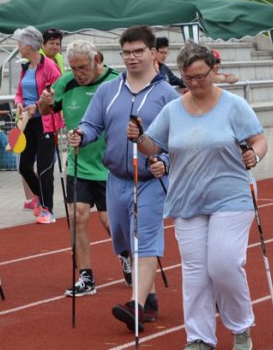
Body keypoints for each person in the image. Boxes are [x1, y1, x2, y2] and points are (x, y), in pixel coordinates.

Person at [130, 42, 266, 349]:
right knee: (195, 273)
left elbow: (259, 140)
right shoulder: (173, 109)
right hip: (187, 199)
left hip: (231, 197)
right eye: (188, 77)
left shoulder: (234, 106)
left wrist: (254, 157)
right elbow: (155, 146)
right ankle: (200, 337)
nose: (194, 83)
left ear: (214, 71)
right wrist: (139, 139)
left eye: (200, 76)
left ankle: (241, 326)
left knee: (224, 264)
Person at [68, 25, 180, 332]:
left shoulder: (167, 94)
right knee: (123, 239)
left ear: (153, 53)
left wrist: (165, 162)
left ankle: (137, 305)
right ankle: (151, 296)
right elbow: (92, 124)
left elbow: (178, 141)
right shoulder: (109, 90)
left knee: (145, 240)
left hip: (149, 180)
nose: (132, 58)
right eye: (127, 52)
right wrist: (81, 135)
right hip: (115, 178)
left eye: (138, 51)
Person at [38, 40, 120, 297]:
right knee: (76, 217)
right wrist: (44, 101)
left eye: (83, 67)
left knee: (110, 222)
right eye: (73, 68)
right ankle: (86, 276)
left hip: (109, 166)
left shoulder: (115, 82)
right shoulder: (66, 81)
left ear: (97, 60)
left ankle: (127, 254)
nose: (78, 73)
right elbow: (46, 110)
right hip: (77, 162)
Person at [13, 26, 64, 223]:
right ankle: (41, 199)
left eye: (20, 43)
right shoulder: (25, 66)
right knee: (24, 166)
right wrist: (19, 102)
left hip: (46, 121)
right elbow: (19, 91)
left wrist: (36, 105)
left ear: (28, 46)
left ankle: (48, 209)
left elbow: (55, 93)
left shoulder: (50, 66)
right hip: (27, 122)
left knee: (45, 167)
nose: (18, 46)